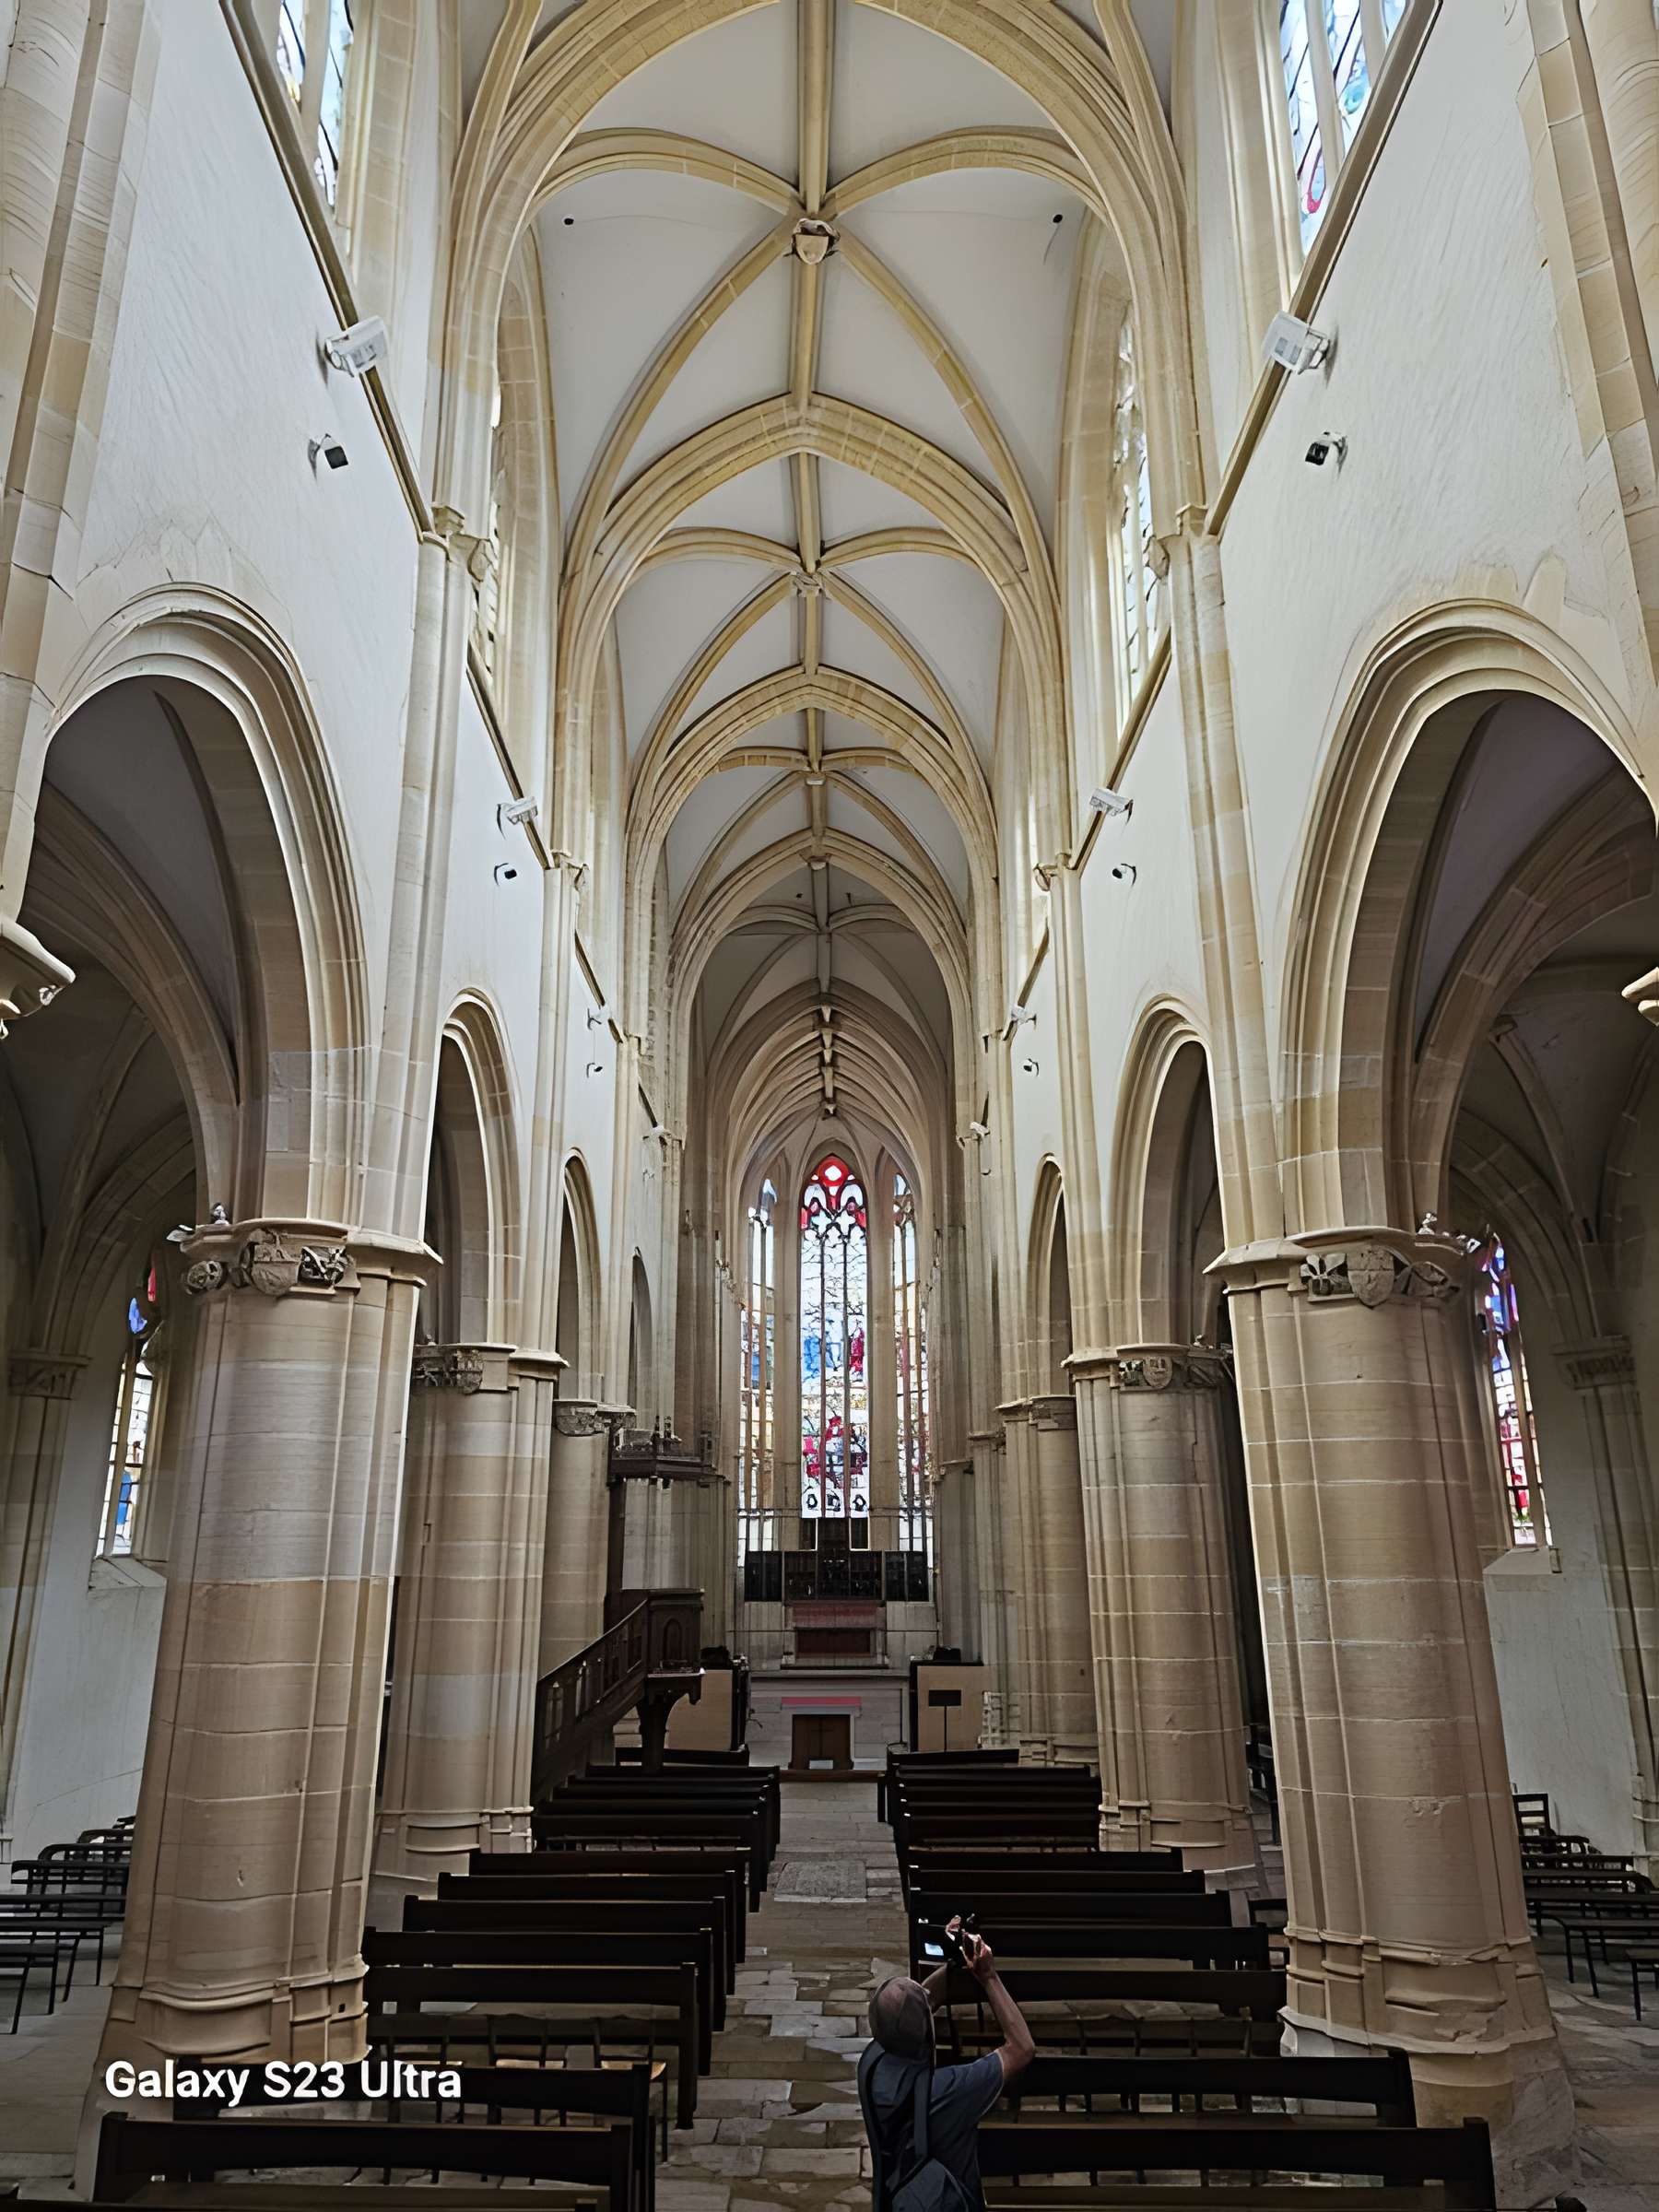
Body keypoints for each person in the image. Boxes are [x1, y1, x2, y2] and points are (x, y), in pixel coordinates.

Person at [859, 1923, 1034, 2212]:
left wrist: (954, 1960)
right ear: (927, 2030)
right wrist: (988, 1976)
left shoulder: (872, 2063)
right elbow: (1022, 2049)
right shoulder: (949, 2090)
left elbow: (919, 2005)